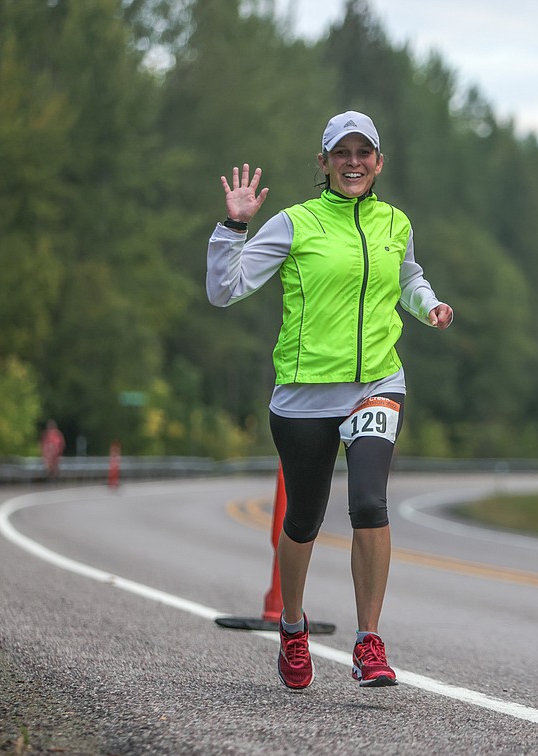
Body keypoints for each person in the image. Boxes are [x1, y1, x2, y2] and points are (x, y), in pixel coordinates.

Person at [206, 110, 454, 690]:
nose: (352, 162)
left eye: (362, 152)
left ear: (378, 162)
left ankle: (369, 641)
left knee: (369, 502)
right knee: (303, 520)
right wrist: (233, 226)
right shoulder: (296, 224)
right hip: (304, 395)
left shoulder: (396, 222)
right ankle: (293, 629)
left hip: (377, 384)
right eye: (340, 153)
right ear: (322, 164)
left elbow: (409, 277)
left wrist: (429, 305)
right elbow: (225, 289)